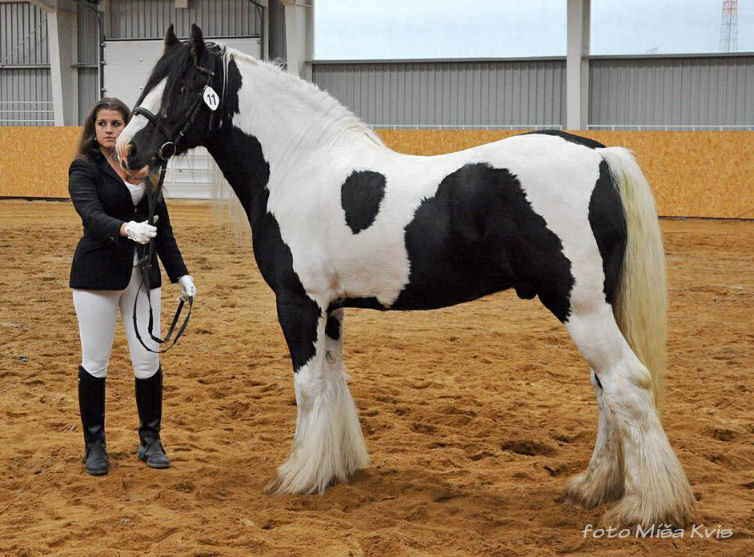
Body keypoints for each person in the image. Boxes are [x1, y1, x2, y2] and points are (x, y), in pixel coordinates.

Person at [69, 97, 196, 476]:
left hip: (144, 276)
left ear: (127, 126)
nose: (109, 130)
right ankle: (95, 446)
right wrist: (126, 229)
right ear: (94, 129)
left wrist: (181, 274)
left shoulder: (146, 166)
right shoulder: (84, 168)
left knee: (148, 360)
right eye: (102, 124)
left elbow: (163, 228)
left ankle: (150, 440)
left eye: (116, 123)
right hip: (97, 277)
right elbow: (91, 214)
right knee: (95, 362)